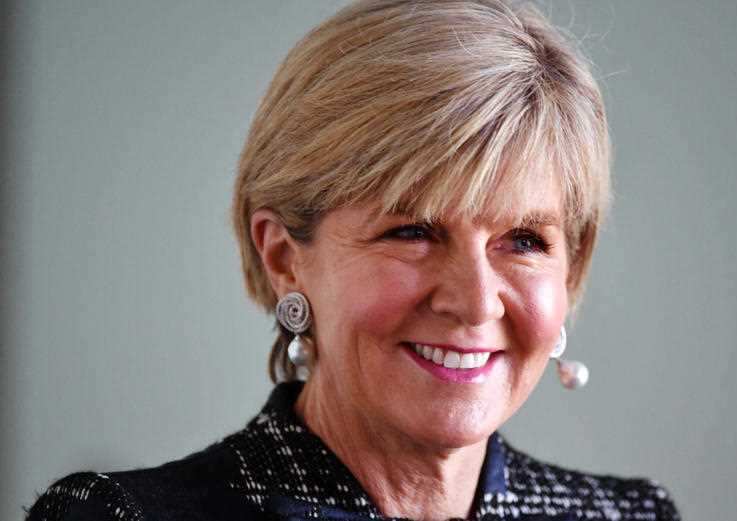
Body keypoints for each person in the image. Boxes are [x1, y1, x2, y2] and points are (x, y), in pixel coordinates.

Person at [27, 0, 681, 519]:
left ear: (571, 268)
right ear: (284, 256)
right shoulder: (116, 515)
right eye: (413, 230)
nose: (477, 299)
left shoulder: (635, 515)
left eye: (523, 240)